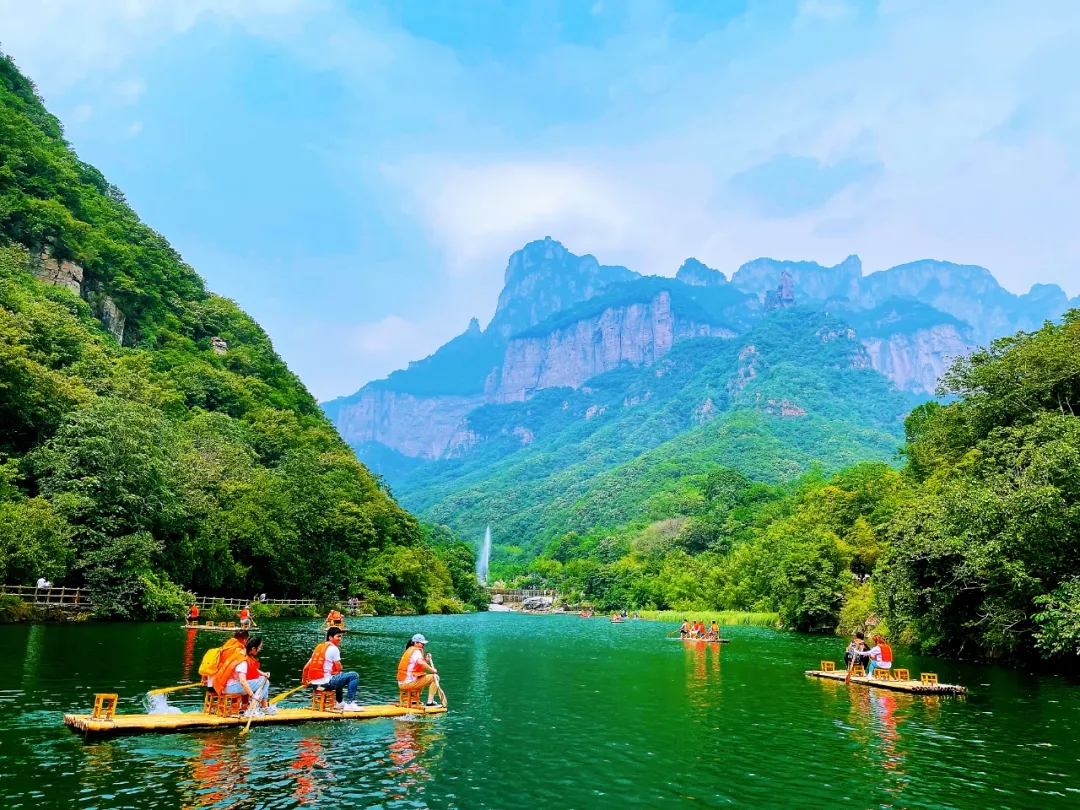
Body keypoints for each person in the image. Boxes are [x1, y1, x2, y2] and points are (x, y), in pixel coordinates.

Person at [303, 627, 361, 711]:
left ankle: (339, 703)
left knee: (339, 675)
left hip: (315, 686)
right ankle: (349, 704)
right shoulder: (333, 648)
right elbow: (339, 667)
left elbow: (305, 668)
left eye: (340, 637)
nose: (340, 639)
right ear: (330, 637)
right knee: (354, 675)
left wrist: (304, 681)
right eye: (338, 636)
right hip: (326, 685)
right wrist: (336, 670)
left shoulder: (318, 648)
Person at [216, 636, 275, 716]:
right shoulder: (243, 662)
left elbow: (251, 668)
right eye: (260, 647)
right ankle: (252, 709)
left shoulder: (241, 653)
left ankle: (263, 707)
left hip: (226, 685)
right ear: (254, 648)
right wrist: (253, 695)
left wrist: (263, 674)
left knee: (263, 679)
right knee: (265, 682)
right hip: (231, 687)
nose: (260, 649)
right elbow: (243, 681)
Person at [397, 634, 443, 708]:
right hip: (408, 683)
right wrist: (432, 670)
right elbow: (421, 663)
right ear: (416, 643)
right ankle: (430, 702)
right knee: (435, 677)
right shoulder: (416, 651)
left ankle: (414, 701)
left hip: (402, 682)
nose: (423, 645)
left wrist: (426, 660)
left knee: (422, 676)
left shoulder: (409, 650)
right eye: (422, 643)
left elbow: (418, 664)